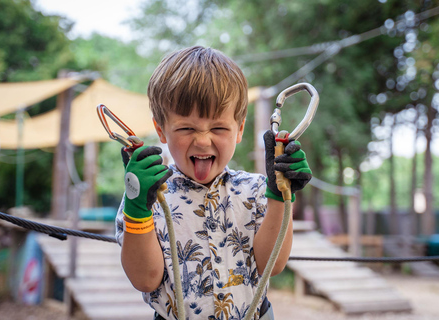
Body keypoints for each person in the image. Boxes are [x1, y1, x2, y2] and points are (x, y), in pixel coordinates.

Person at [115, 46, 312, 320]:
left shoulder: (257, 191)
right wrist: (138, 208)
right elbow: (145, 279)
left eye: (218, 128)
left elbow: (272, 265)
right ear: (161, 129)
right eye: (186, 128)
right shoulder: (149, 199)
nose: (203, 141)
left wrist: (280, 193)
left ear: (240, 129)